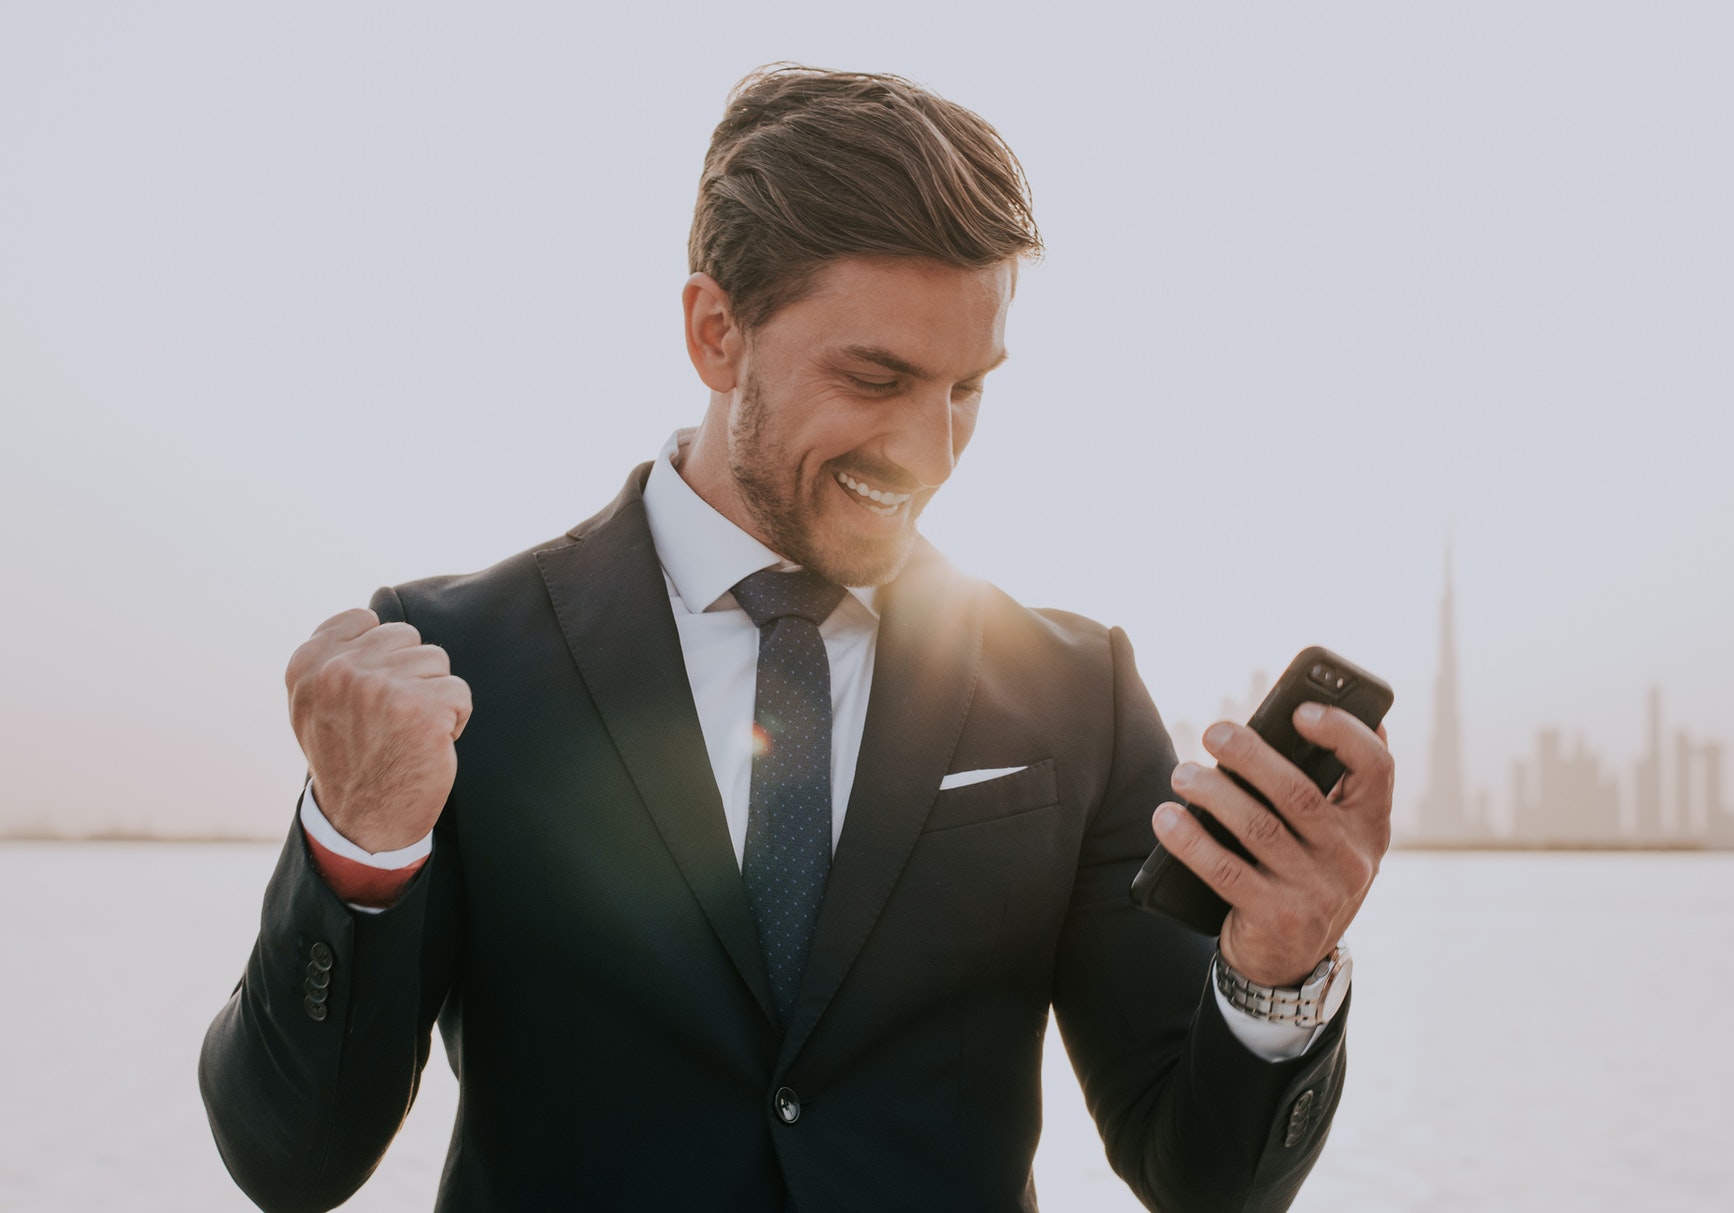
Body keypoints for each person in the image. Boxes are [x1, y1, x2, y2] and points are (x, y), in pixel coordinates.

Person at [198, 64, 1395, 1213]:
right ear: (715, 333)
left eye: (966, 388)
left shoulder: (1072, 690)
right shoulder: (458, 662)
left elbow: (1203, 1184)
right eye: (876, 377)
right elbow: (289, 1161)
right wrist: (359, 846)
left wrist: (1275, 976)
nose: (928, 450)